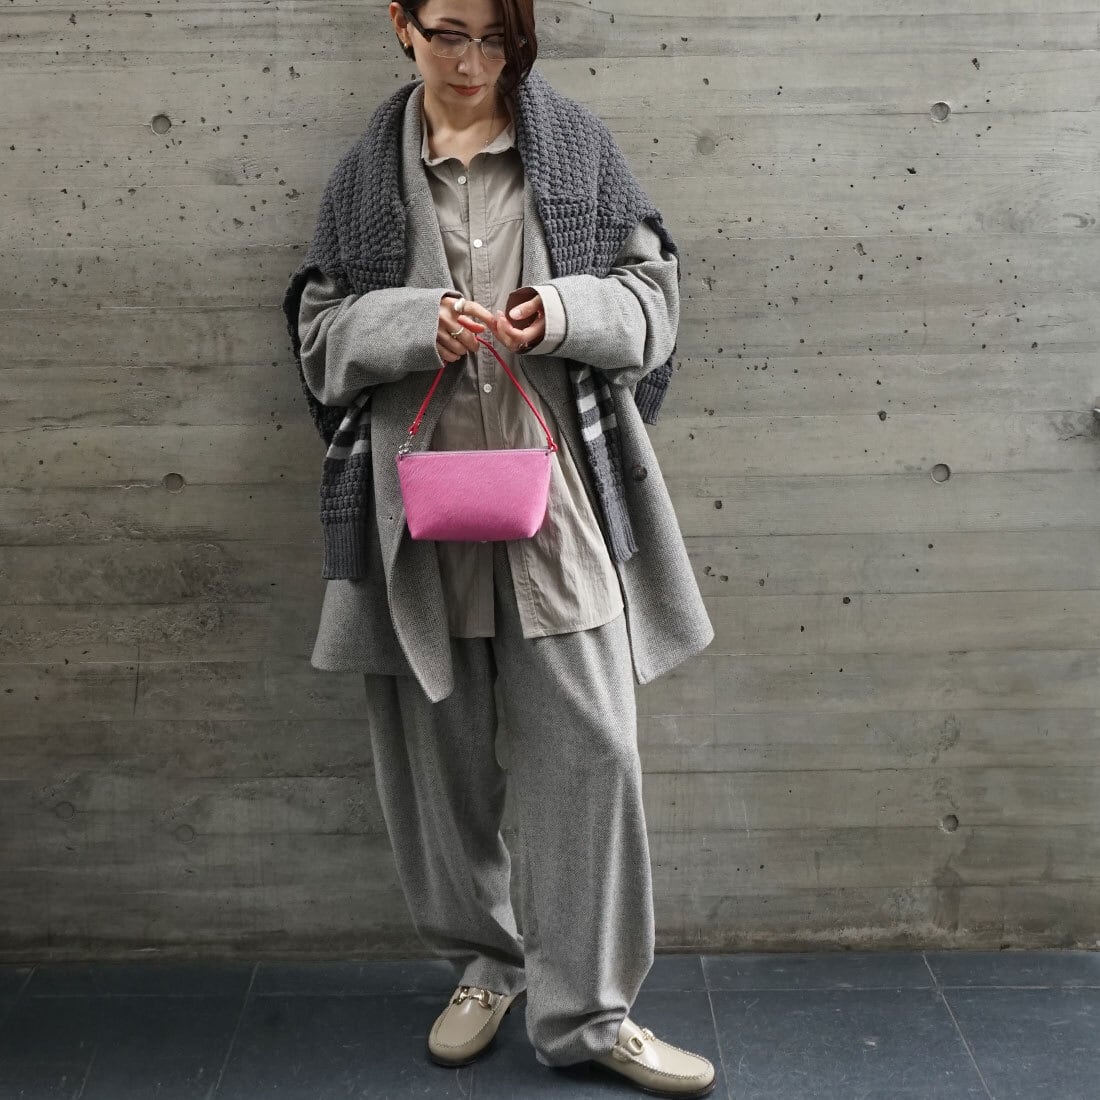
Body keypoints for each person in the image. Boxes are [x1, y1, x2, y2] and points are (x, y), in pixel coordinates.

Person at [281, 0, 716, 1095]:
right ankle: (486, 965)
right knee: (441, 771)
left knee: (594, 752)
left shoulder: (575, 150)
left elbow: (653, 303)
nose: (473, 60)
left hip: (555, 501)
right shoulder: (364, 177)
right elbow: (318, 336)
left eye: (496, 38)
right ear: (401, 24)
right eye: (449, 33)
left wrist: (557, 312)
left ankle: (591, 1014)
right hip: (412, 517)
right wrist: (410, 323)